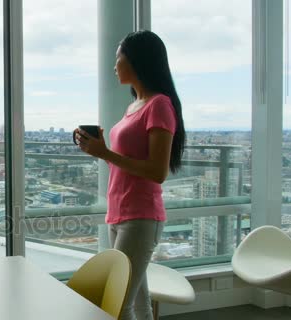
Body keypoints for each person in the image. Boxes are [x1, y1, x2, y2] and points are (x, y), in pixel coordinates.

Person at [75, 30, 186, 320]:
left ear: (136, 60)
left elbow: (157, 172)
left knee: (116, 304)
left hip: (140, 217)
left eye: (118, 58)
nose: (114, 66)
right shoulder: (133, 106)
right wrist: (98, 150)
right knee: (136, 302)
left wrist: (106, 153)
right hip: (120, 213)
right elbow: (127, 166)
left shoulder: (159, 104)